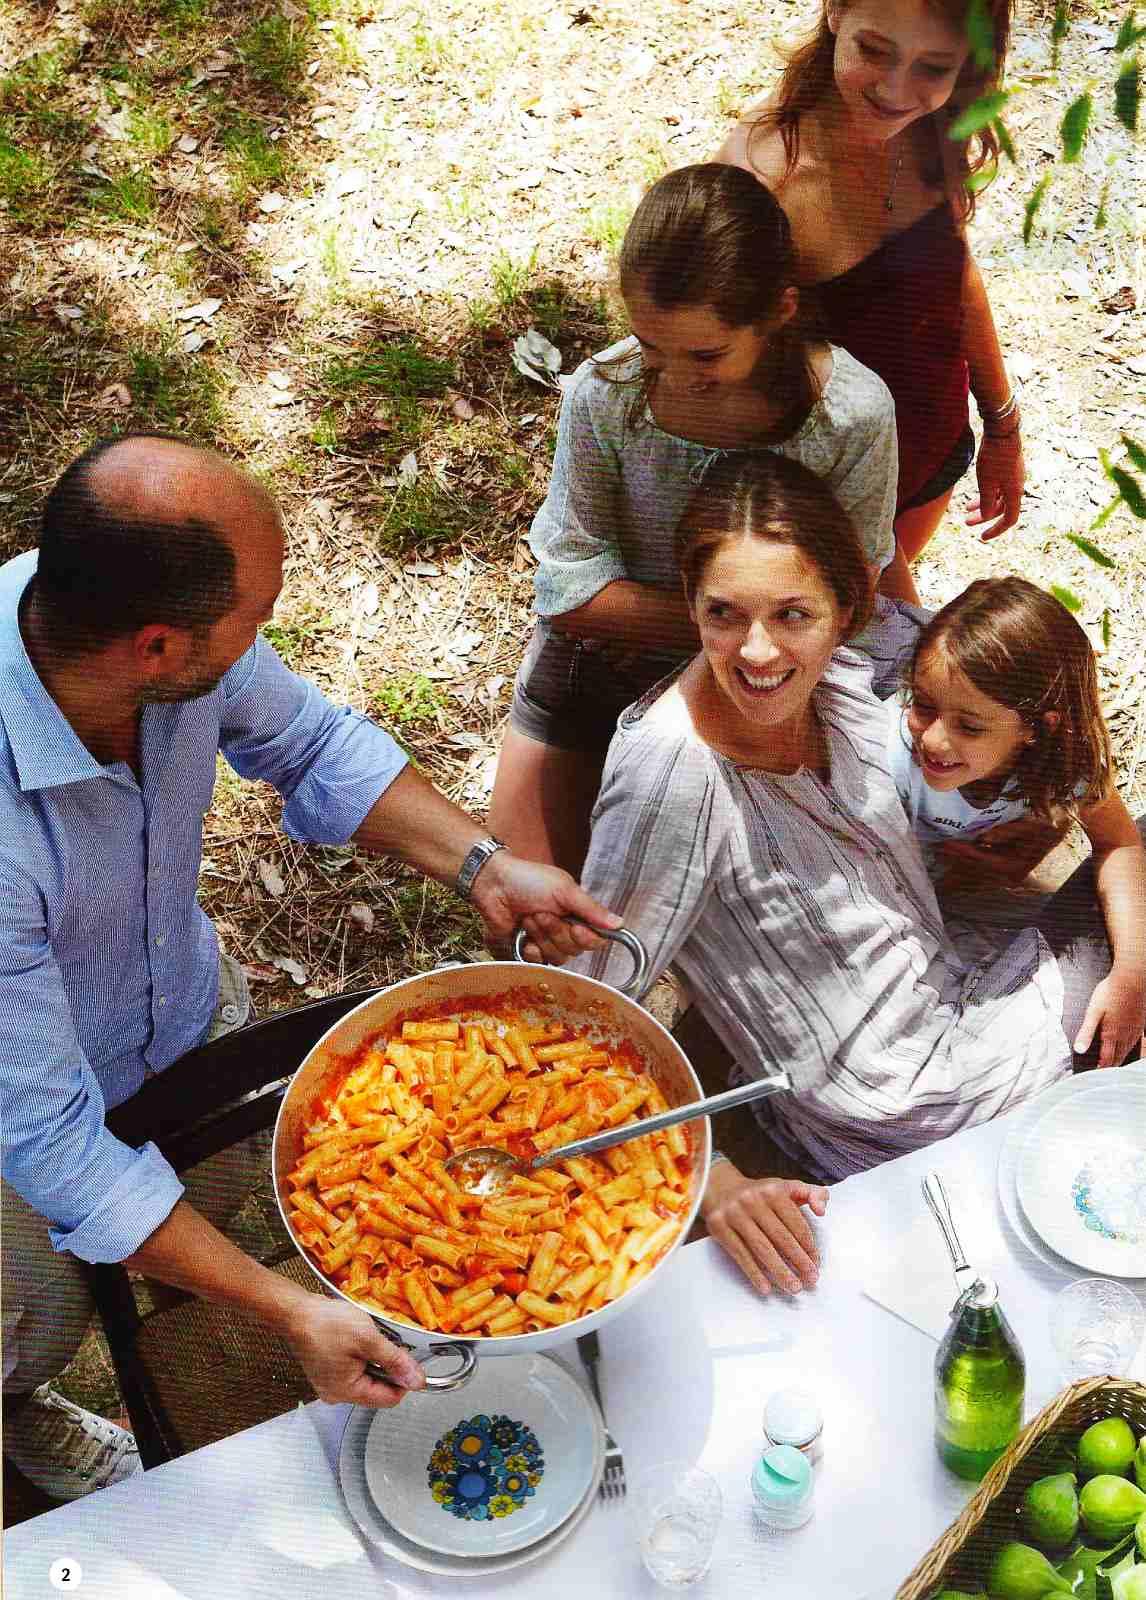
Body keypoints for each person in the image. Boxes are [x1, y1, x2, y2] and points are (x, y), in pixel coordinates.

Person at [0, 434, 620, 1501]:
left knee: (194, 1211)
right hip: (19, 1117)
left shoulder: (101, 623)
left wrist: (484, 866)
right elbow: (54, 1147)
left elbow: (313, 745)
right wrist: (292, 1311)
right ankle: (22, 1411)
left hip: (173, 1015)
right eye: (253, 624)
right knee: (26, 1322)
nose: (262, 642)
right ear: (158, 648)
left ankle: (188, 1274)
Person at [567, 452, 1145, 1297]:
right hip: (913, 1095)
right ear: (689, 604)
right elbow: (570, 1018)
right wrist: (712, 1182)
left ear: (847, 609)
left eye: (793, 613)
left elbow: (1002, 688)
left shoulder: (856, 675)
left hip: (943, 988)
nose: (756, 651)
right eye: (723, 613)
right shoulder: (670, 782)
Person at [489, 160, 907, 874]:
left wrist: (691, 628)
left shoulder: (851, 417)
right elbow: (569, 594)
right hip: (614, 665)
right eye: (652, 345)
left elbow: (856, 592)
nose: (675, 375)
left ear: (778, 312)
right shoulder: (605, 395)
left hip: (770, 671)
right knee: (530, 901)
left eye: (706, 353)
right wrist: (744, 621)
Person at [717, 0, 1024, 570]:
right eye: (875, 51)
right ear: (835, 12)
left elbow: (953, 267)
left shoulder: (933, 122)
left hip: (930, 449)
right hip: (824, 497)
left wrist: (1001, 423)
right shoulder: (762, 182)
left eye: (934, 67)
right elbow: (712, 376)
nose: (895, 89)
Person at [889, 576, 1146, 1064]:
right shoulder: (887, 759)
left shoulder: (1063, 763)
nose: (934, 740)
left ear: (1036, 728)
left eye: (970, 726)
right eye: (923, 705)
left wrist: (1134, 971)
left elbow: (1121, 843)